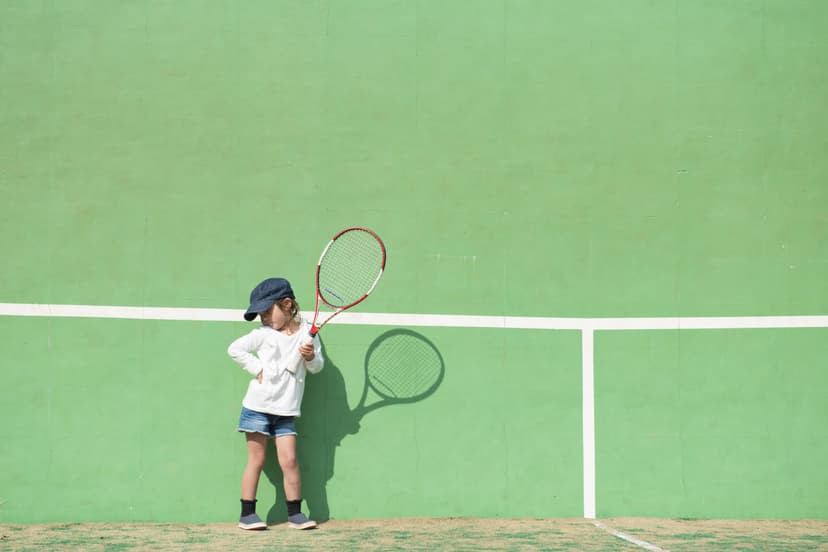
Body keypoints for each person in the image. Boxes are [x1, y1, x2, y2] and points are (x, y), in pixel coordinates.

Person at [227, 277, 323, 530]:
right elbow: (235, 349)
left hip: (286, 411)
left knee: (289, 461)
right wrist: (257, 367)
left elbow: (317, 367)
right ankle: (247, 515)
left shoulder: (307, 335)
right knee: (256, 460)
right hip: (257, 408)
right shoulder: (263, 334)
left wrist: (311, 357)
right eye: (260, 314)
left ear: (288, 304)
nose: (264, 319)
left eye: (268, 312)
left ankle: (295, 514)